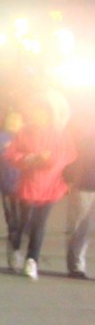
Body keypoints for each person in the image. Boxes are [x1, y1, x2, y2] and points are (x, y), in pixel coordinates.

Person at [4, 94, 77, 280]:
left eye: (44, 112)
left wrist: (50, 159)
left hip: (51, 185)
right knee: (23, 222)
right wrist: (30, 158)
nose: (40, 116)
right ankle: (15, 246)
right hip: (29, 183)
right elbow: (11, 153)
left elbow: (70, 154)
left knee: (40, 223)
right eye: (37, 111)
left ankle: (32, 260)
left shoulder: (60, 134)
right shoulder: (24, 132)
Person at [0, 109, 25, 270]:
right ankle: (14, 254)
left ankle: (19, 249)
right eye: (11, 121)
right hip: (7, 184)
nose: (13, 124)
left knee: (24, 222)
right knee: (12, 222)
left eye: (17, 121)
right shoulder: (1, 136)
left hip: (26, 185)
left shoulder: (26, 137)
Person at [65, 112, 95, 279]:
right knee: (79, 226)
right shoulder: (83, 132)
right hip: (85, 183)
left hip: (86, 182)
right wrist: (68, 178)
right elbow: (72, 156)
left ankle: (76, 264)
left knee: (81, 226)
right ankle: (76, 265)